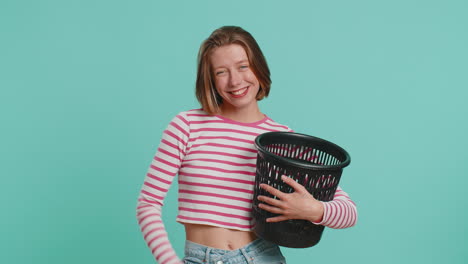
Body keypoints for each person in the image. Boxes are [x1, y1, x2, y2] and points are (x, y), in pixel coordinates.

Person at [136, 26, 357, 264]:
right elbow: (147, 204)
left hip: (263, 256)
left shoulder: (282, 140)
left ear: (258, 68)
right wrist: (170, 261)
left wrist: (314, 210)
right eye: (221, 72)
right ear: (210, 79)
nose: (235, 81)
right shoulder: (186, 126)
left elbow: (349, 212)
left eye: (243, 66)